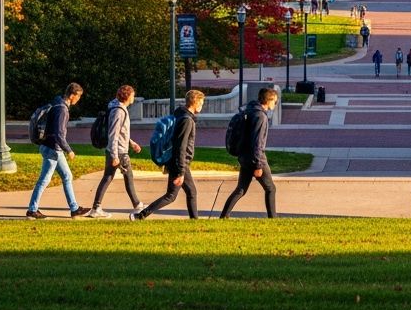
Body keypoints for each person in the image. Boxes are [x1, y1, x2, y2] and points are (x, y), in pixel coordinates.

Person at [132, 89, 205, 221]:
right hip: (179, 162)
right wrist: (181, 171)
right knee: (177, 194)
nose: (202, 106)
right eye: (201, 102)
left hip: (175, 161)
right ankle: (140, 215)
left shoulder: (180, 115)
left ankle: (141, 215)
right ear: (195, 102)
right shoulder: (187, 120)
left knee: (180, 193)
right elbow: (180, 146)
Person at [26, 82, 90, 219]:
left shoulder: (57, 103)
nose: (78, 99)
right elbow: (58, 134)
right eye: (78, 96)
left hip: (52, 147)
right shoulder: (62, 110)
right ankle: (32, 209)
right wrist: (69, 150)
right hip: (53, 149)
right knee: (44, 180)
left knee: (67, 176)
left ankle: (74, 208)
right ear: (72, 95)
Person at [219, 87, 278, 219]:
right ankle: (273, 218)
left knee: (241, 189)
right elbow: (257, 142)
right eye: (275, 101)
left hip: (244, 157)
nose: (275, 104)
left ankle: (224, 216)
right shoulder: (261, 116)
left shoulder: (249, 110)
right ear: (268, 100)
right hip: (256, 159)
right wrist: (258, 165)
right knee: (270, 189)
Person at [89, 84, 143, 218]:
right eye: (132, 95)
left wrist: (131, 143)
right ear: (127, 96)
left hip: (117, 149)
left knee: (108, 177)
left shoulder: (117, 108)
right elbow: (113, 134)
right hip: (118, 151)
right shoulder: (118, 111)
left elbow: (121, 131)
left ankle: (96, 207)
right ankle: (137, 206)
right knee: (128, 177)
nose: (133, 98)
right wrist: (114, 155)